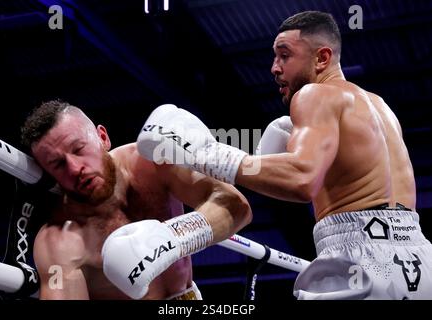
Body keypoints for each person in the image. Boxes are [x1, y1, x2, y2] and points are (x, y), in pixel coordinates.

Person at [136, 11, 432, 299]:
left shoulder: (314, 95)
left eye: (285, 55)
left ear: (322, 58)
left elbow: (302, 179)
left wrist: (206, 154)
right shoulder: (380, 106)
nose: (274, 68)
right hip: (418, 259)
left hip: (360, 257)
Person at [20, 100, 252, 300]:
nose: (75, 168)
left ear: (103, 137)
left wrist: (170, 238)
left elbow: (236, 206)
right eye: (58, 165)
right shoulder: (58, 241)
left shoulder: (153, 163)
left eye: (79, 149)